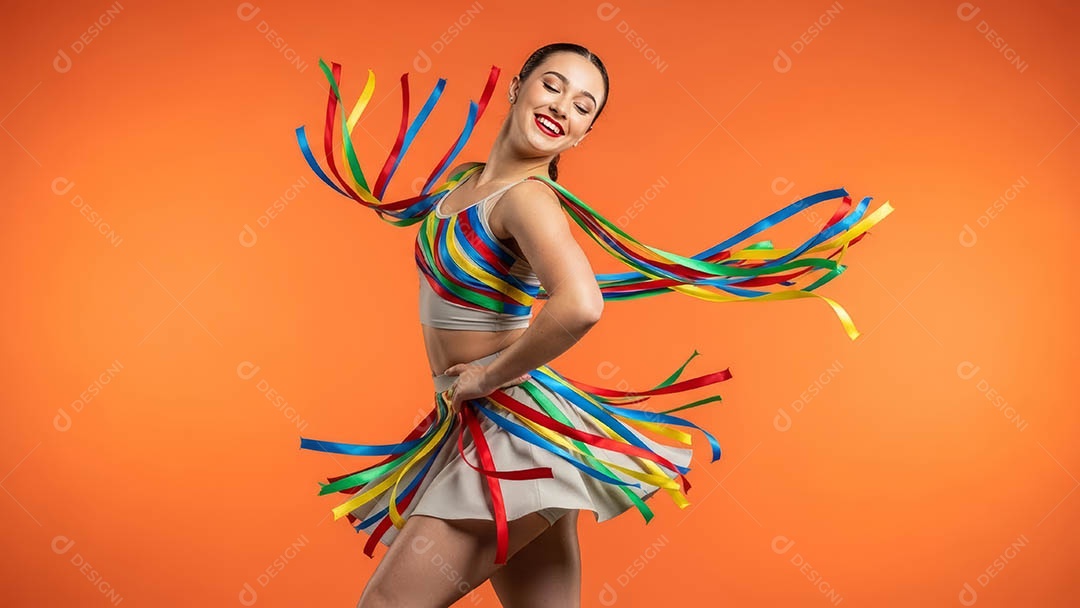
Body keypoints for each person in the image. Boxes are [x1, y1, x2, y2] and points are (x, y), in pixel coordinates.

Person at [295, 42, 892, 607]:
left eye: (583, 106)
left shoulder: (528, 198)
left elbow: (579, 304)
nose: (561, 107)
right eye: (552, 87)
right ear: (518, 86)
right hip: (494, 434)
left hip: (511, 438)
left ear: (586, 131)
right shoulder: (464, 185)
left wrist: (483, 378)